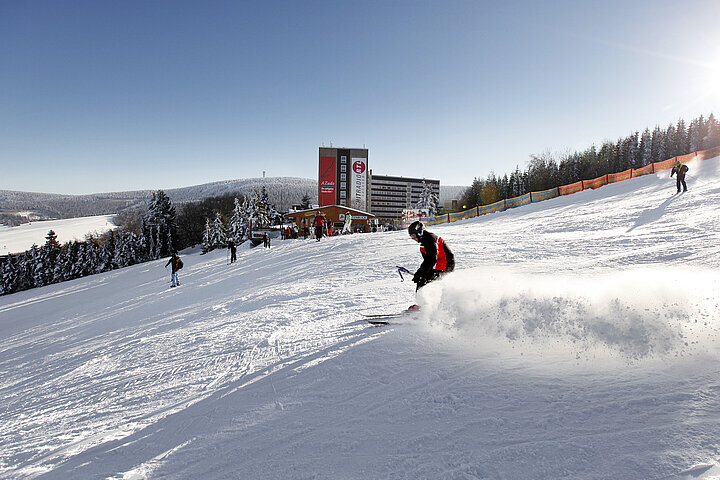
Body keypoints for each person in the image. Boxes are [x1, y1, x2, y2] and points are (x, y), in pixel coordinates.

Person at [408, 221, 454, 308]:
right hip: (439, 265)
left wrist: (421, 272)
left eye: (413, 236)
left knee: (422, 280)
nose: (413, 239)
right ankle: (425, 305)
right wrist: (421, 272)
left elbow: (431, 259)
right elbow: (429, 260)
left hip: (444, 265)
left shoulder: (429, 239)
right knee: (422, 280)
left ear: (420, 232)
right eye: (411, 237)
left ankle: (422, 307)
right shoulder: (425, 240)